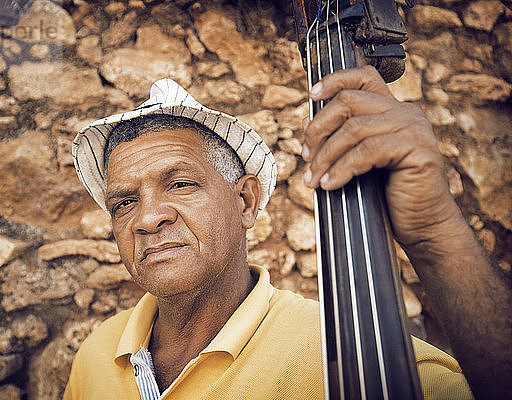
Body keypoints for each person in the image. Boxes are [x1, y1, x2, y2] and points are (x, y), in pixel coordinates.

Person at [64, 67, 512, 400]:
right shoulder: (95, 356)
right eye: (124, 202)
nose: (147, 218)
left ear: (244, 201)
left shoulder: (356, 365)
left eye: (180, 183)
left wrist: (435, 235)